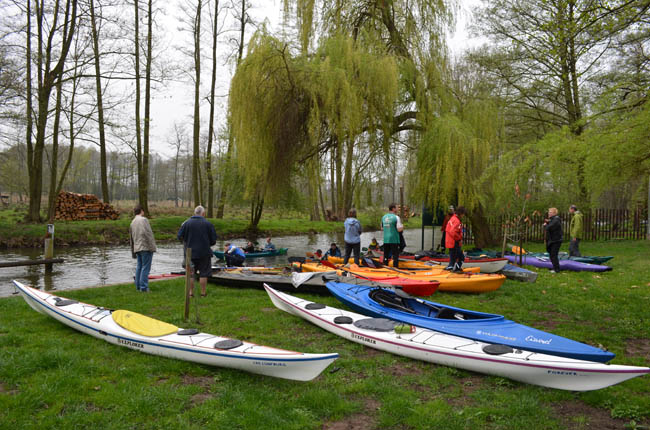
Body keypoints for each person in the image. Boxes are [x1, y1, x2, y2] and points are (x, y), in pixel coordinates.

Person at [177, 205, 217, 297]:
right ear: (203, 213)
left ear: (195, 213)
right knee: (204, 273)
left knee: (191, 274)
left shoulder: (186, 223)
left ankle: (191, 293)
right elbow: (213, 240)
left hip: (189, 253)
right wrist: (207, 244)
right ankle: (203, 293)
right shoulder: (208, 224)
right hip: (204, 253)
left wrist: (187, 242)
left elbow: (179, 236)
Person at [129, 204, 156, 292]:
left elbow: (131, 238)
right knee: (145, 268)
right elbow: (148, 234)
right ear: (141, 211)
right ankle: (144, 287)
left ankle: (138, 286)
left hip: (137, 247)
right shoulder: (144, 220)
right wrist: (152, 247)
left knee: (139, 267)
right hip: (145, 247)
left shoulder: (132, 222)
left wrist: (133, 250)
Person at [381, 203, 404, 268]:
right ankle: (395, 268)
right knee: (395, 255)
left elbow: (382, 228)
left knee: (386, 255)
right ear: (393, 209)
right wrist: (402, 226)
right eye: (397, 208)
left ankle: (385, 267)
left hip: (386, 239)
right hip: (394, 239)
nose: (397, 209)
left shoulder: (384, 217)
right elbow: (399, 230)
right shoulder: (396, 217)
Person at [445, 206, 466, 272]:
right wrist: (459, 238)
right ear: (461, 213)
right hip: (454, 242)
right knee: (461, 257)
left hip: (450, 241)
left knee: (452, 258)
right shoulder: (457, 221)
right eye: (463, 214)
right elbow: (452, 231)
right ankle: (456, 269)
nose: (463, 216)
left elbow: (449, 230)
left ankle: (452, 268)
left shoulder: (452, 218)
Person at [544, 207, 563, 273]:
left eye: (550, 212)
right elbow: (550, 223)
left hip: (556, 240)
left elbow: (549, 227)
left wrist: (546, 225)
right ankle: (555, 268)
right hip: (553, 240)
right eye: (549, 212)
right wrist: (548, 222)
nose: (549, 213)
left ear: (554, 213)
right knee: (551, 254)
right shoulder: (553, 219)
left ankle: (557, 270)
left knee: (553, 255)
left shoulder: (556, 220)